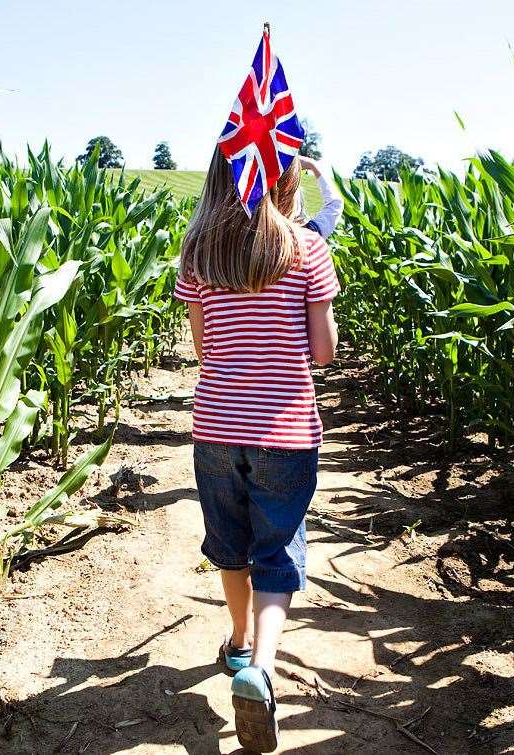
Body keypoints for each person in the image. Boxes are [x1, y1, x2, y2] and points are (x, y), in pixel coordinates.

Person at [173, 148, 341, 752]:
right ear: (288, 180)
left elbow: (202, 348)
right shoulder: (307, 250)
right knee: (276, 551)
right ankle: (260, 671)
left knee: (230, 543)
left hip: (217, 428)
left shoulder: (198, 255)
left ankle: (237, 639)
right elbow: (323, 353)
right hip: (285, 432)